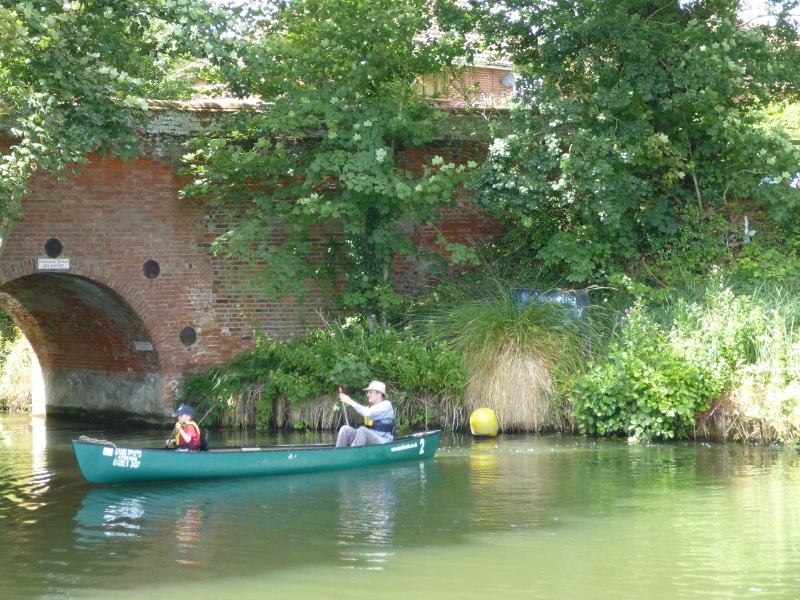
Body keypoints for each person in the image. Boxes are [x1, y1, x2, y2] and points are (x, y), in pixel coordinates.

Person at [336, 381, 395, 448]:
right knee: (345, 429)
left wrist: (350, 401)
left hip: (383, 440)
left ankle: (354, 454)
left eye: (371, 392)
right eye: (367, 392)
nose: (368, 395)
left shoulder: (386, 405)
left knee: (362, 430)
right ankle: (337, 454)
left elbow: (368, 413)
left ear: (379, 394)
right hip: (371, 438)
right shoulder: (373, 407)